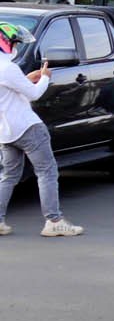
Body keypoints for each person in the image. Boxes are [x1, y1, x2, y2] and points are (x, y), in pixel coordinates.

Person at [0, 20, 82, 239]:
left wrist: (28, 79)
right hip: (28, 127)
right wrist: (44, 78)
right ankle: (54, 221)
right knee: (47, 171)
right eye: (14, 42)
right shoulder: (7, 67)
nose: (16, 47)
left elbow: (10, 92)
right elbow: (34, 95)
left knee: (8, 175)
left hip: (6, 132)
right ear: (6, 43)